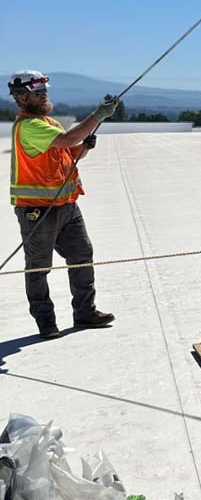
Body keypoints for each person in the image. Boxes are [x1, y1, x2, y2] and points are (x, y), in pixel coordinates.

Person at [8, 70, 119, 340]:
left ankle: (85, 312)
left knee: (82, 256)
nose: (44, 95)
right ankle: (46, 322)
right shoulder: (29, 127)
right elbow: (69, 140)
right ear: (22, 98)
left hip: (66, 205)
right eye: (38, 92)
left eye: (45, 91)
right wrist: (98, 116)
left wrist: (85, 148)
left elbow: (67, 151)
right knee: (39, 267)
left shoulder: (49, 122)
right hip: (38, 211)